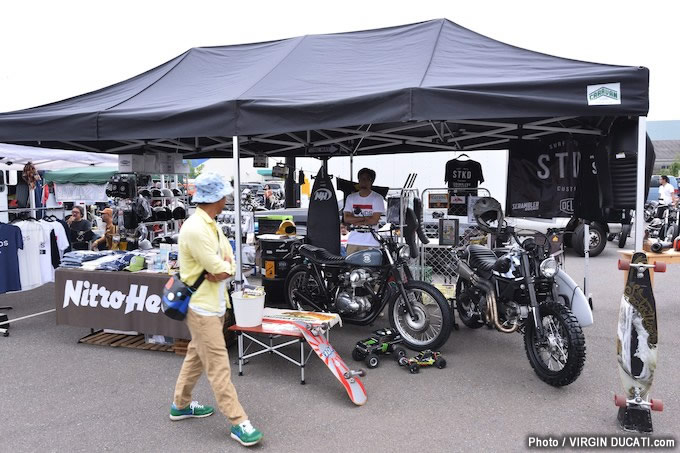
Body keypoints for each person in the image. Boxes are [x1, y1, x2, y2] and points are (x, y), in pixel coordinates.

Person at [171, 172, 263, 447]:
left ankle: (181, 404)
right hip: (203, 308)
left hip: (211, 304)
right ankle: (239, 422)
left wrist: (225, 268)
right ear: (216, 198)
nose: (226, 199)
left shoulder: (207, 223)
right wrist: (224, 268)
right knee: (219, 366)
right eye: (224, 195)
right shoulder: (198, 228)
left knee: (196, 357)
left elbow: (228, 261)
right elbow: (218, 266)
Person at [342, 168, 385, 255]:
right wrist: (366, 219)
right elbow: (346, 219)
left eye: (367, 179)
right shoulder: (351, 198)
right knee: (350, 266)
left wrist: (355, 219)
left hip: (371, 241)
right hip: (353, 239)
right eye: (361, 179)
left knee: (370, 267)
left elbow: (374, 220)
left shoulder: (377, 198)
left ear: (371, 181)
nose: (363, 181)